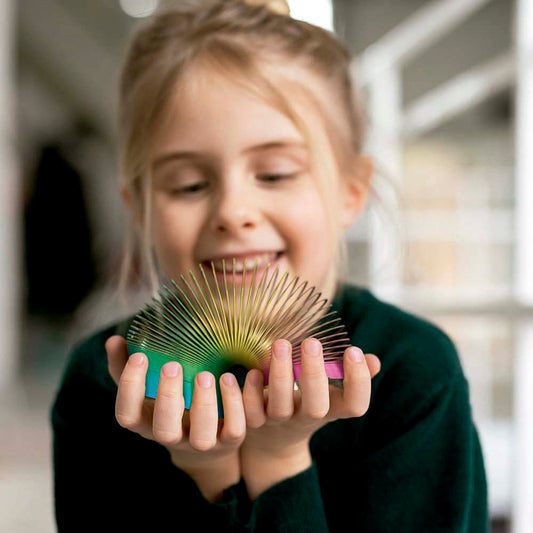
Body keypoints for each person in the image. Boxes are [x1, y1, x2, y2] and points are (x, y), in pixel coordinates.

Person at [51, 1, 489, 531]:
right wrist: (206, 472)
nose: (233, 212)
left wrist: (278, 463)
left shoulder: (412, 374)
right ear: (140, 207)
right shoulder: (99, 384)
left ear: (350, 191)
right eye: (189, 185)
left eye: (276, 174)